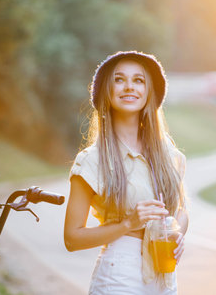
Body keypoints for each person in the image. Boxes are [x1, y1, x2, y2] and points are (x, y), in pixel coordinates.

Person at [64, 51, 188, 295]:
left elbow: (182, 210)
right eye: (119, 80)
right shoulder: (92, 160)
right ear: (106, 92)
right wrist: (128, 223)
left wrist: (178, 233)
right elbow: (72, 238)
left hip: (165, 278)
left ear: (148, 91)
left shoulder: (168, 153)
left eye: (139, 80)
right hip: (119, 275)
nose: (129, 87)